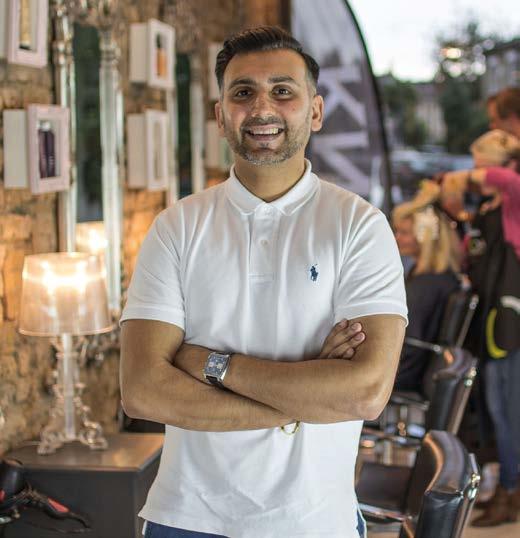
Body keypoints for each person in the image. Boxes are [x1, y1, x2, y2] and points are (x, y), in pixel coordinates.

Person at [120, 26, 407, 538]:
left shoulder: (359, 226)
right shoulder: (177, 227)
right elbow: (143, 391)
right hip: (187, 518)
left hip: (315, 521)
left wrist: (207, 363)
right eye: (243, 92)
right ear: (220, 116)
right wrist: (305, 396)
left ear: (314, 112)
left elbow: (364, 392)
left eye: (282, 91)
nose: (261, 108)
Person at [441, 129, 520, 527]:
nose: (477, 174)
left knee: (509, 409)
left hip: (509, 325)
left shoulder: (514, 203)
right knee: (494, 409)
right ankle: (506, 484)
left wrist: (457, 178)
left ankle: (511, 490)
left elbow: (506, 181)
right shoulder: (489, 208)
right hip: (487, 322)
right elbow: (470, 255)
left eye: (481, 166)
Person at [392, 182, 462, 391]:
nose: (396, 238)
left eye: (404, 232)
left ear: (425, 238)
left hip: (405, 373)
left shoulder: (426, 286)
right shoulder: (440, 278)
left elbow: (411, 341)